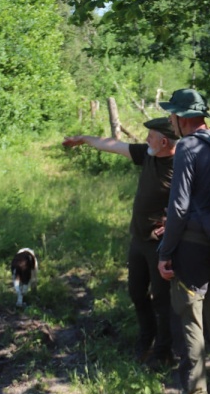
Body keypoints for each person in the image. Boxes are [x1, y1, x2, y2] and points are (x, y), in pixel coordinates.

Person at [62, 118, 178, 367]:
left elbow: (193, 203)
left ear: (164, 141)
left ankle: (164, 351)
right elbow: (114, 145)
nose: (146, 139)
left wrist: (172, 226)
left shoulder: (180, 166)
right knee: (136, 292)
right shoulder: (147, 154)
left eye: (151, 135)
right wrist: (84, 139)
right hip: (138, 239)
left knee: (162, 299)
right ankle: (146, 338)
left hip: (160, 244)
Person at [157, 88, 210, 394]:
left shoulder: (187, 147)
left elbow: (179, 206)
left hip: (192, 247)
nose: (170, 120)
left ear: (181, 118)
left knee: (191, 318)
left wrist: (165, 250)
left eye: (172, 115)